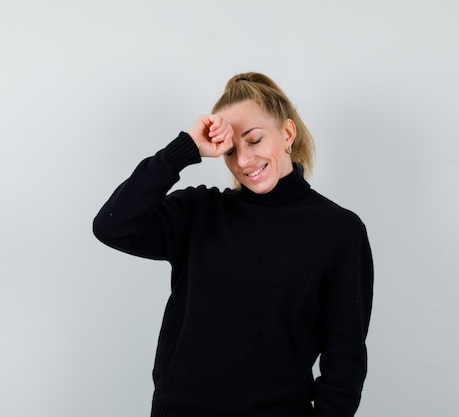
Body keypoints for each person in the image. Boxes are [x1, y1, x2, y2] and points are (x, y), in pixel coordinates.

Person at [93, 72, 373, 417]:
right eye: (230, 150)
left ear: (287, 133)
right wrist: (183, 150)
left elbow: (345, 361)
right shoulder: (199, 212)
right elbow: (112, 226)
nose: (243, 161)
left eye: (254, 140)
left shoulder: (338, 230)